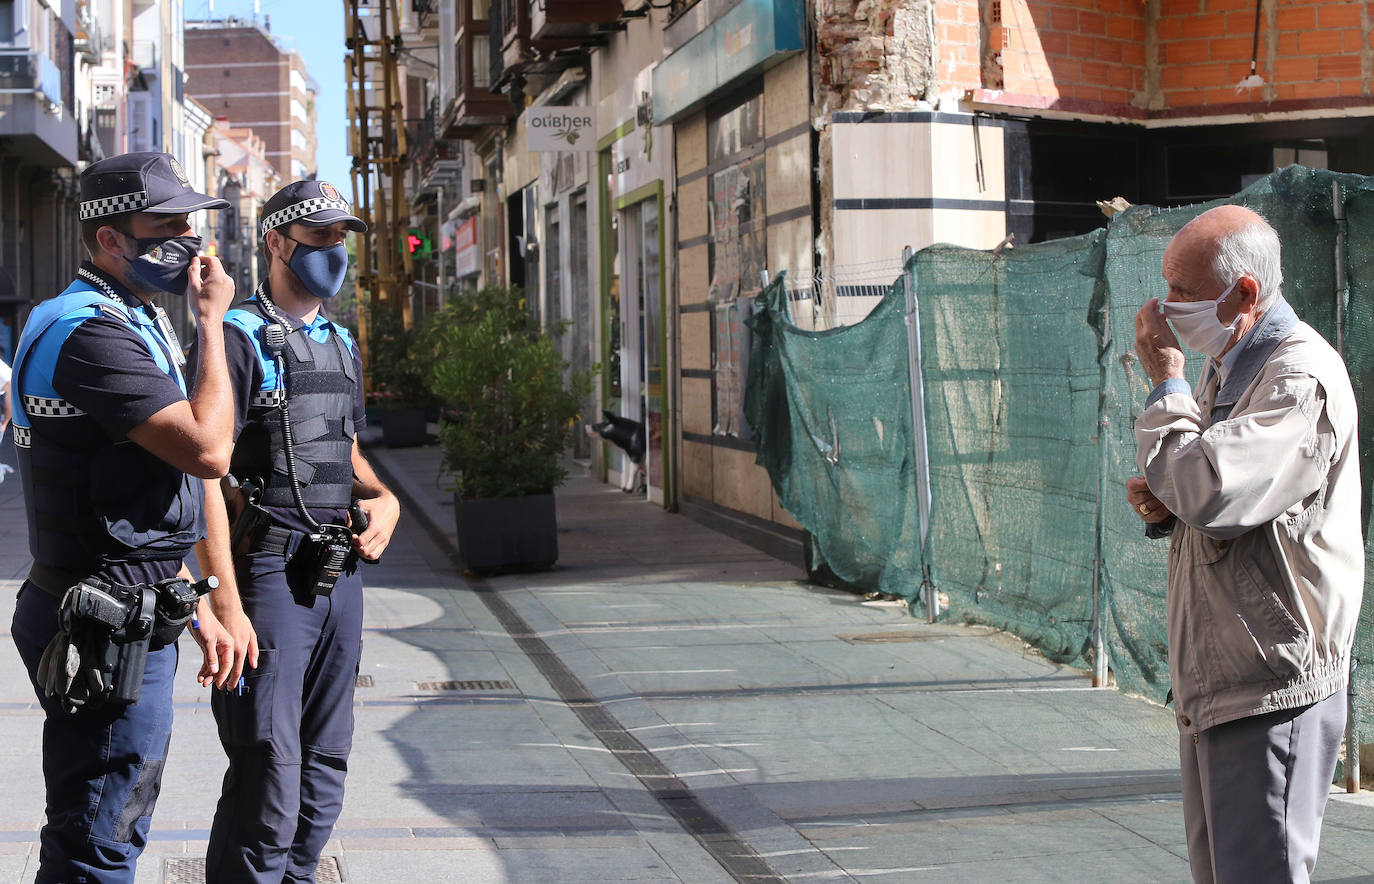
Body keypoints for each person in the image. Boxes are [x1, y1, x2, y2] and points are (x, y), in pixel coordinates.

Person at [9, 151, 254, 882]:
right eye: (168, 225)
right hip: (98, 620)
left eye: (192, 222)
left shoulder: (130, 317)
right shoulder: (89, 332)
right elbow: (209, 451)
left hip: (128, 603)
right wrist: (213, 326)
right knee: (100, 835)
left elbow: (136, 492)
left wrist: (202, 601)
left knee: (106, 819)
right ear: (110, 239)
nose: (190, 239)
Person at [1126, 204, 1361, 884]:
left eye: (1183, 295)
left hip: (1272, 682)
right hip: (1223, 676)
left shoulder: (1297, 377)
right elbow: (1213, 490)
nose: (1164, 312)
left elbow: (1215, 492)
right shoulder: (1232, 360)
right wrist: (1168, 503)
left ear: (1246, 294)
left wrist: (1167, 386)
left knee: (1261, 873)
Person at [200, 179, 400, 882]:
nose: (334, 253)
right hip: (270, 577)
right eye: (318, 238)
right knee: (269, 770)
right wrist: (220, 599)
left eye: (341, 239)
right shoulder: (239, 338)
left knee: (327, 764)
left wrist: (386, 499)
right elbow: (201, 467)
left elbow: (339, 447)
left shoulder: (340, 341)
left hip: (338, 572)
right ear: (276, 242)